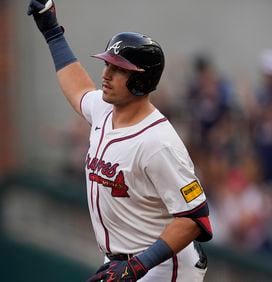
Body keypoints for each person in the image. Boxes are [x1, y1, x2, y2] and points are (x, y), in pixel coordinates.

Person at [27, 1, 213, 281]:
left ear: (142, 79)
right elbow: (77, 86)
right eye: (107, 65)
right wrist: (53, 33)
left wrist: (137, 266)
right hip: (121, 261)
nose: (106, 75)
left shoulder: (158, 142)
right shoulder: (105, 110)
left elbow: (195, 218)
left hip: (162, 267)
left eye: (118, 69)